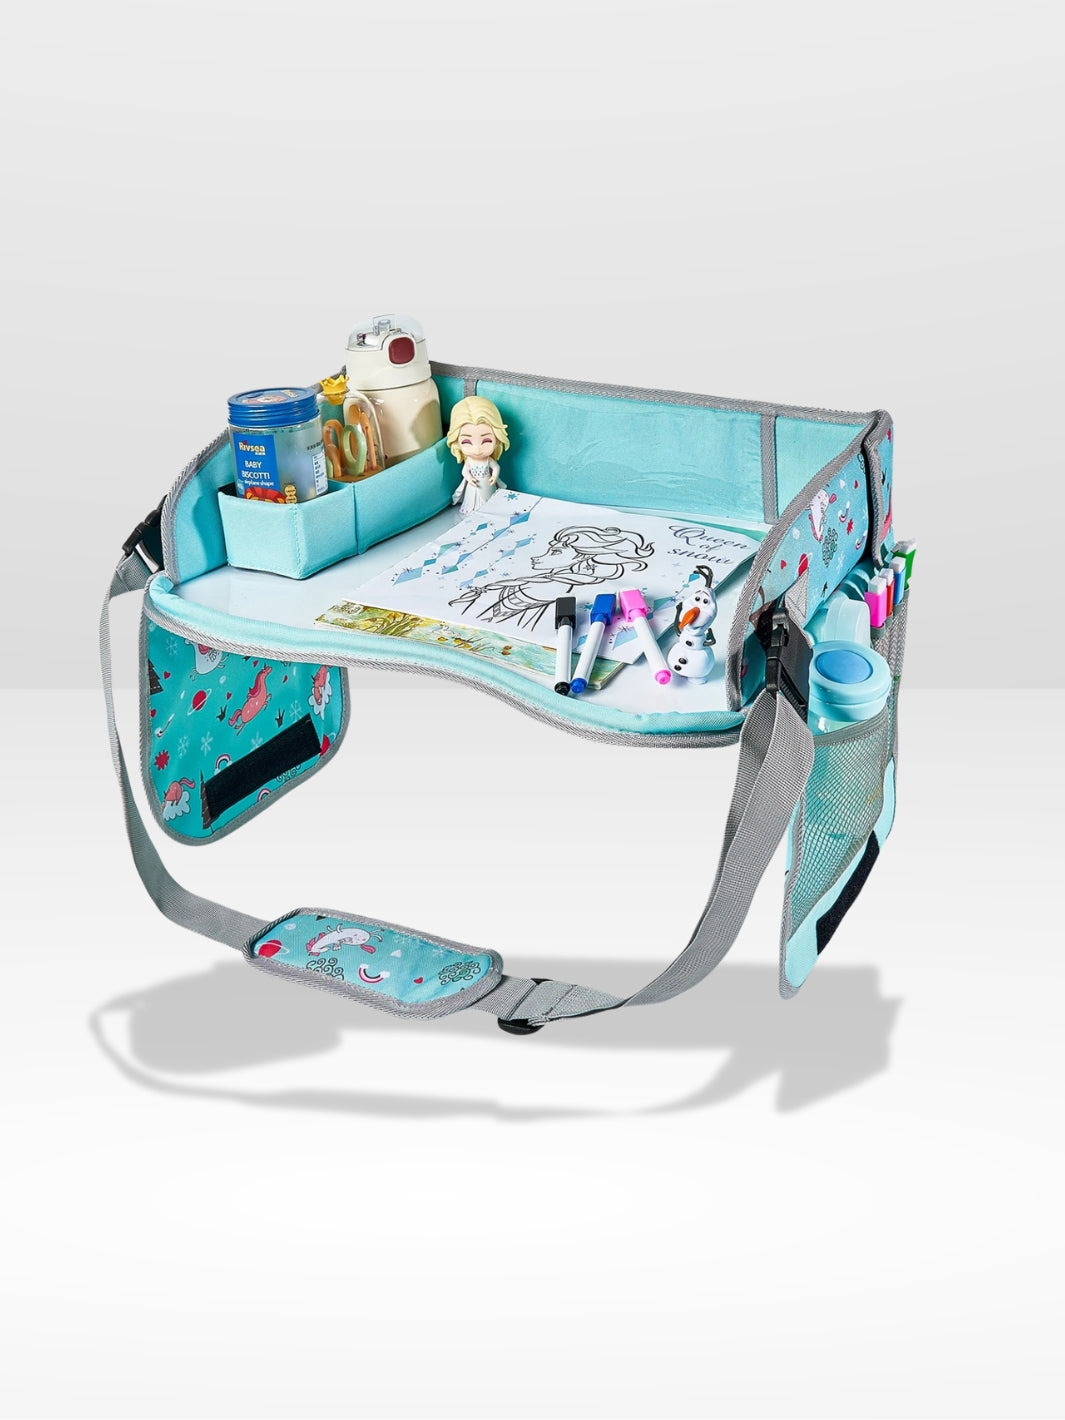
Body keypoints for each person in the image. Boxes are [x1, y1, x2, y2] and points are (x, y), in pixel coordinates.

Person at [446, 395, 510, 514]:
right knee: (473, 499)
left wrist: (494, 476)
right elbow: (465, 471)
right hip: (474, 485)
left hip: (487, 483)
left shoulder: (488, 460)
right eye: (466, 442)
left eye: (486, 441)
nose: (477, 449)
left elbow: (496, 467)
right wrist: (469, 478)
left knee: (490, 500)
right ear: (457, 442)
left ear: (497, 439)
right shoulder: (469, 461)